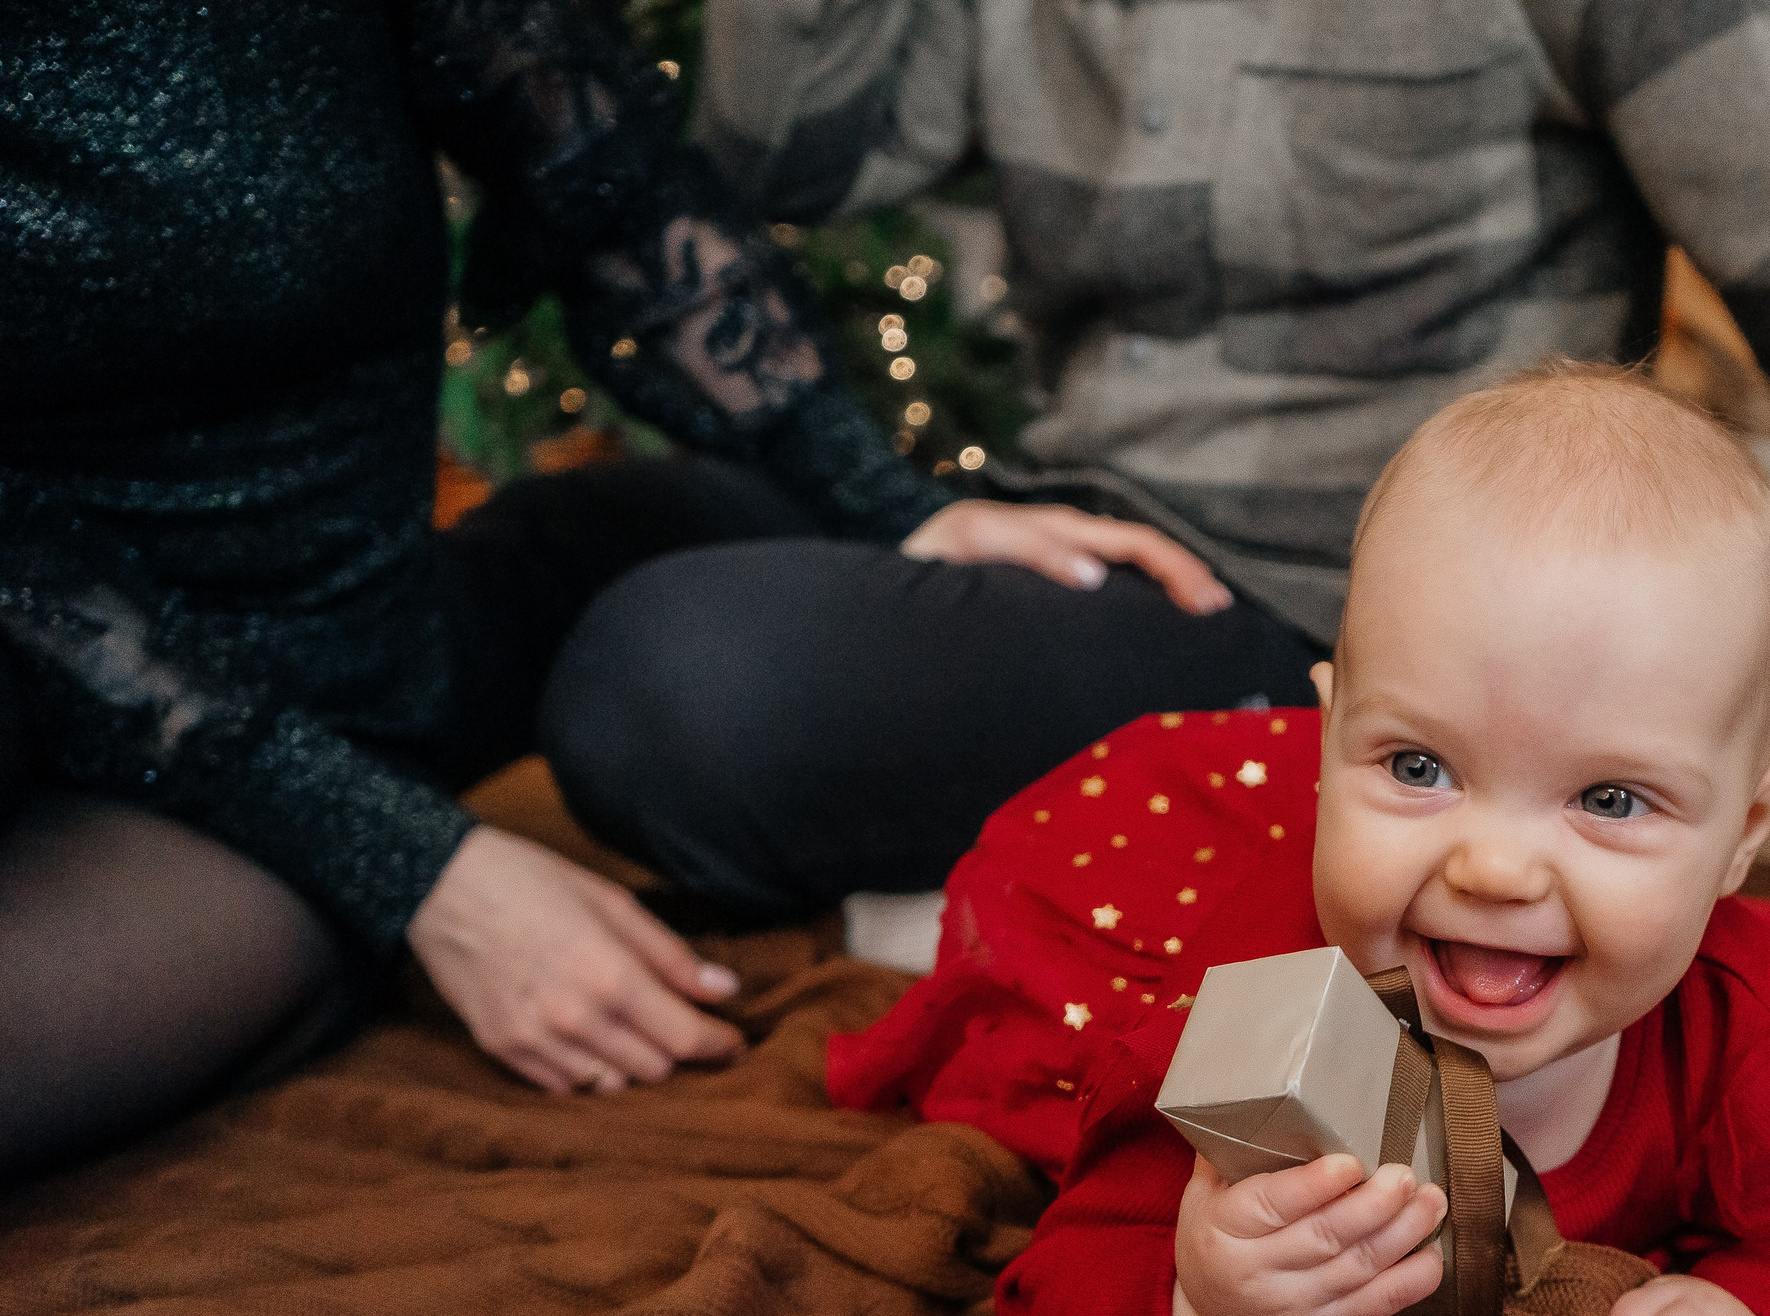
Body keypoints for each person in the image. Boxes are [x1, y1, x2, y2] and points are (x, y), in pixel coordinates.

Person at [692, 0, 1770, 1019]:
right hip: (1066, 526)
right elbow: (789, 159)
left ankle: (1103, 894)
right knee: (602, 544)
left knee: (684, 682)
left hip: (1346, 631)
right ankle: (1066, 900)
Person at [0, 0, 1247, 1168]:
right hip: (83, 716)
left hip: (358, 647)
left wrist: (896, 508)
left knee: (683, 662)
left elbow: (613, 202)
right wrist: (412, 863)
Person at [833, 369, 1770, 1316]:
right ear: (1330, 730)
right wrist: (1213, 1314)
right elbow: (1069, 1302)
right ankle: (917, 925)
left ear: (1745, 829)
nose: (1493, 868)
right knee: (1025, 1033)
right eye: (1417, 765)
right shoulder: (1242, 1020)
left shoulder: (1750, 1030)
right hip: (1168, 915)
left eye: (1610, 799)